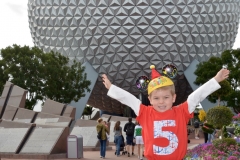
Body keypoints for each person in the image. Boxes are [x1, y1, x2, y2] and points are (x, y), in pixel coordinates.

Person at [102, 65, 229, 159]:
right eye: (156, 98)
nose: (161, 102)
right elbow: (129, 99)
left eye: (166, 97)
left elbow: (196, 96)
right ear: (150, 100)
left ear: (173, 98)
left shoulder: (181, 111)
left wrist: (216, 80)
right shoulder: (145, 112)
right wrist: (111, 88)